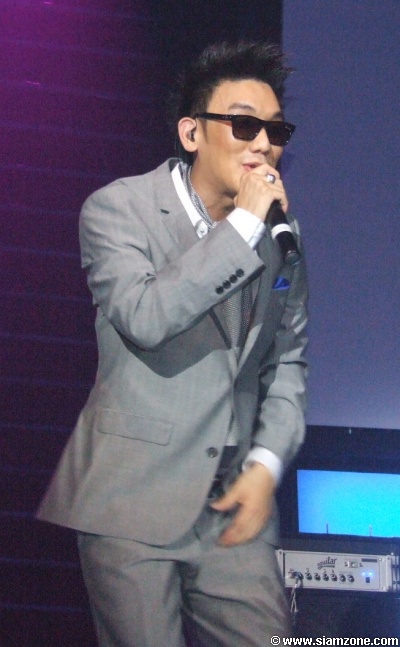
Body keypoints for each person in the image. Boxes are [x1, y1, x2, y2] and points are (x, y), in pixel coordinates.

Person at [37, 40, 308, 646]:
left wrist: (266, 463)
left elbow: (287, 360)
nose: (263, 144)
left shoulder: (279, 234)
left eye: (276, 130)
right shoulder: (119, 209)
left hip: (230, 501)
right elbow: (146, 316)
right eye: (244, 125)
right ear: (192, 133)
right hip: (132, 496)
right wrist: (243, 226)